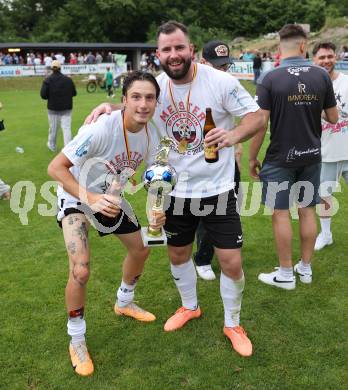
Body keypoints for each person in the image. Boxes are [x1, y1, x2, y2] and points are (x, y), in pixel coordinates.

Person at [85, 21, 264, 357]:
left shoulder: (220, 81)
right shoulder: (159, 86)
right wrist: (108, 108)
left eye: (179, 47)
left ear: (191, 48)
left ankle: (233, 322)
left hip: (218, 187)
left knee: (231, 262)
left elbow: (256, 117)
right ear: (158, 54)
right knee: (178, 253)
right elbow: (136, 108)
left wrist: (233, 136)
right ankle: (189, 306)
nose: (174, 54)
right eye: (166, 49)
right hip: (175, 191)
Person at [47, 71, 165, 376]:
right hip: (76, 195)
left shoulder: (151, 135)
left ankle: (124, 302)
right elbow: (56, 167)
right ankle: (77, 338)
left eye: (149, 97)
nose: (142, 104)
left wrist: (156, 210)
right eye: (135, 97)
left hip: (109, 198)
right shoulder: (100, 129)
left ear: (156, 102)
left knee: (141, 249)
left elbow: (154, 181)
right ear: (123, 100)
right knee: (81, 268)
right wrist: (90, 197)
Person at [249, 24, 338, 290]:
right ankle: (305, 269)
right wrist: (314, 107)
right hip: (311, 155)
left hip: (279, 159)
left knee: (280, 213)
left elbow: (260, 123)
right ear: (304, 45)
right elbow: (333, 117)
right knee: (307, 210)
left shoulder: (270, 77)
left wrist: (253, 157)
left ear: (279, 48)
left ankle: (286, 274)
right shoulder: (321, 75)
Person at [194, 40, 242, 281]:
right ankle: (202, 259)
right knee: (206, 211)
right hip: (199, 163)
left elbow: (235, 119)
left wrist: (237, 148)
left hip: (226, 160)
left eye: (225, 65)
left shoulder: (228, 85)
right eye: (217, 66)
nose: (223, 70)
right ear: (203, 63)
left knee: (228, 210)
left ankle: (223, 253)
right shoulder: (193, 87)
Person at [312, 42, 348, 250]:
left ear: (336, 58)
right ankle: (326, 234)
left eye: (330, 56)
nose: (326, 60)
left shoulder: (346, 82)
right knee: (324, 196)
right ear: (314, 60)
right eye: (322, 57)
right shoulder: (311, 86)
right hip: (325, 152)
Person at [40, 60, 77, 152]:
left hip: (53, 109)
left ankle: (52, 145)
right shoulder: (68, 80)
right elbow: (74, 93)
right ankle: (68, 148)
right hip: (66, 109)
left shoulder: (47, 80)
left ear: (52, 69)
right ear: (60, 68)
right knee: (66, 128)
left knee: (53, 128)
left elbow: (43, 95)